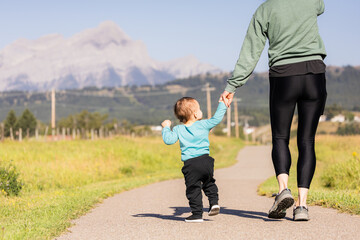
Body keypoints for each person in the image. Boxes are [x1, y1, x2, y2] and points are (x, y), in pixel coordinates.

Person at [221, 0, 327, 221]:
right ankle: (302, 206)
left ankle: (283, 190)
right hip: (315, 75)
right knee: (307, 141)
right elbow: (321, 7)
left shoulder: (265, 10)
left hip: (284, 75)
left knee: (280, 137)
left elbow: (251, 51)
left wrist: (233, 85)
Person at [161, 97, 227, 222]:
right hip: (206, 161)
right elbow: (217, 118)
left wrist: (166, 127)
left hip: (190, 164)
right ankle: (214, 203)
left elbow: (168, 140)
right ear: (196, 114)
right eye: (200, 109)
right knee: (209, 183)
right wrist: (223, 104)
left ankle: (197, 214)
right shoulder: (203, 124)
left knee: (193, 189)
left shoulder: (178, 129)